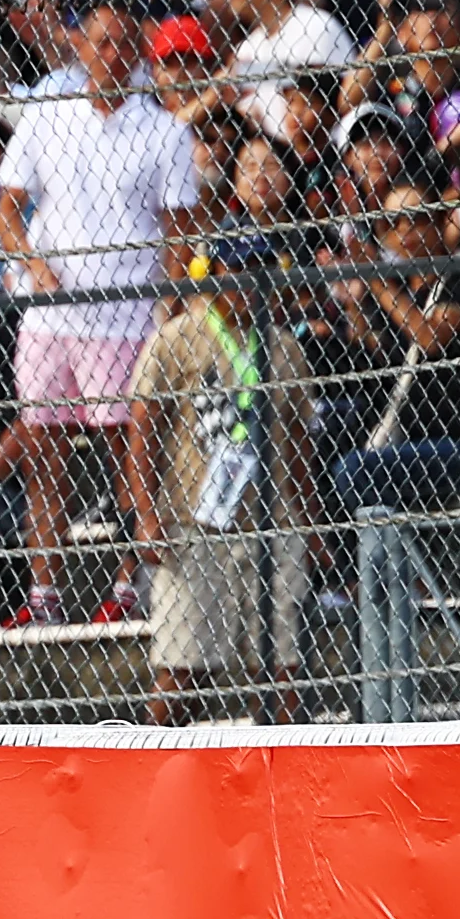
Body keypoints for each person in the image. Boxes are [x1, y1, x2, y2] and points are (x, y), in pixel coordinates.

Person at [0, 1, 202, 628]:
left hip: (126, 317)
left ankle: (128, 588)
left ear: (138, 53)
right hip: (49, 317)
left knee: (129, 451)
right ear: (80, 46)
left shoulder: (165, 132)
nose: (110, 54)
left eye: (123, 43)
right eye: (100, 41)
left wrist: (166, 308)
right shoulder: (47, 117)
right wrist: (33, 265)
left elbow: (182, 233)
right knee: (43, 450)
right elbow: (6, 211)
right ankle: (43, 597)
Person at [126, 253, 315, 724]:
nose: (248, 283)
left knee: (281, 670)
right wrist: (146, 515)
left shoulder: (282, 346)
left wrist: (310, 522)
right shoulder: (176, 339)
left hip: (273, 521)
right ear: (212, 277)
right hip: (193, 522)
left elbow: (298, 440)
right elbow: (143, 430)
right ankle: (153, 760)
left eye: (258, 271)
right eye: (237, 271)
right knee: (184, 671)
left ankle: (278, 760)